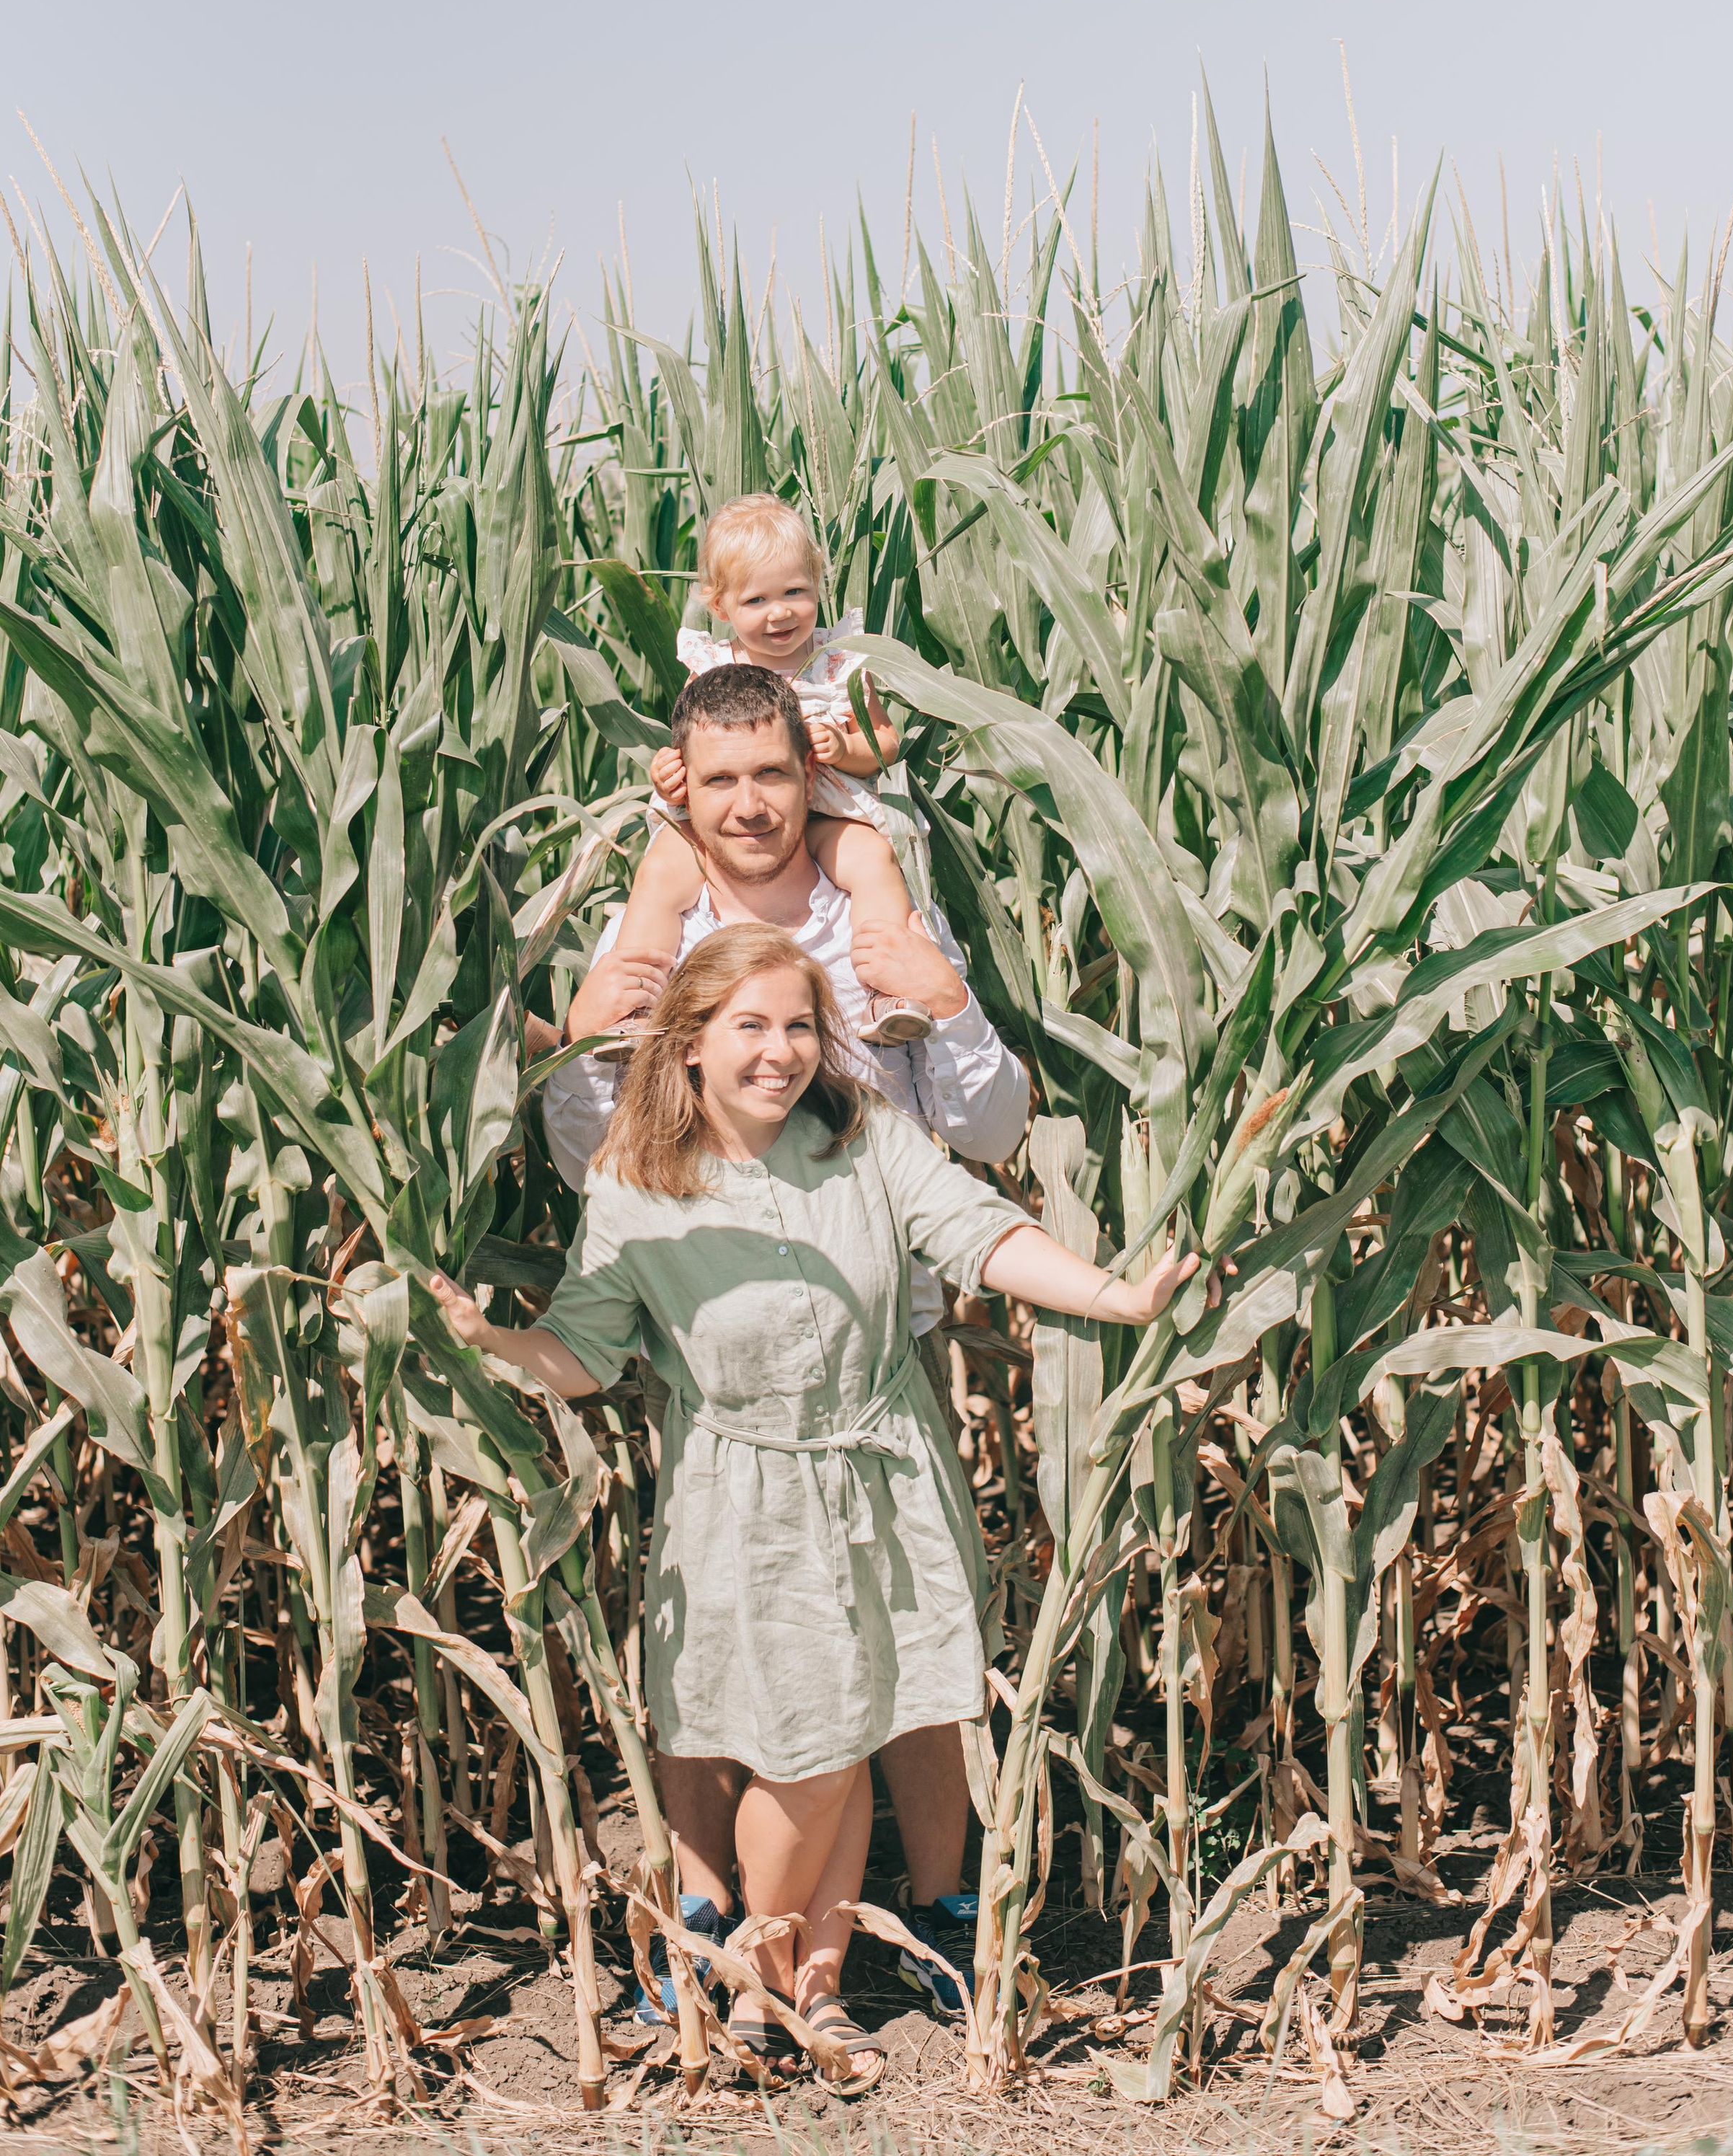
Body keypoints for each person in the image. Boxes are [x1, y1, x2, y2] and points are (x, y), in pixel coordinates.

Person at [435, 927, 1204, 2084]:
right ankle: (750, 1978)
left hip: (888, 1473)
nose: (781, 1051)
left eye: (799, 1024)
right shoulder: (637, 1188)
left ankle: (812, 1991)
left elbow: (981, 1233)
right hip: (746, 1495)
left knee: (852, 1737)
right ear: (688, 1045)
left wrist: (1120, 1298)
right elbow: (586, 1350)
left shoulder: (868, 1142)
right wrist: (491, 1340)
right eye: (750, 1026)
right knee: (802, 1750)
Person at [533, 661, 1029, 2019]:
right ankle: (714, 1923)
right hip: (707, 1337)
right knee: (718, 1636)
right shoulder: (655, 932)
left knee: (911, 1639)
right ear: (680, 788)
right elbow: (597, 1139)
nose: (754, 803)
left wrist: (947, 998)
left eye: (777, 774)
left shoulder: (877, 906)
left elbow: (987, 1132)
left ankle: (933, 1906)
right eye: (725, 779)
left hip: (877, 1351)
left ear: (811, 776)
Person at [602, 495, 929, 1046]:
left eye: (795, 592)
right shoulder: (713, 666)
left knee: (872, 858)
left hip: (826, 808)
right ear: (721, 605)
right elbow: (690, 748)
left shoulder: (840, 663)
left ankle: (887, 990)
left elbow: (887, 742)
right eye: (757, 599)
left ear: (818, 584)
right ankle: (634, 1009)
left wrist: (846, 746)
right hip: (732, 821)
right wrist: (668, 774)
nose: (780, 612)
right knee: (661, 868)